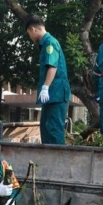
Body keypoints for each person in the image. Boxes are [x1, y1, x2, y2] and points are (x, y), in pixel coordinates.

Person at [25, 14, 71, 145]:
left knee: (54, 130)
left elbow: (52, 67)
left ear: (33, 29)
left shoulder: (50, 42)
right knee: (45, 129)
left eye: (29, 34)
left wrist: (45, 87)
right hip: (51, 95)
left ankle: (59, 163)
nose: (30, 37)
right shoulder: (45, 44)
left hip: (56, 93)